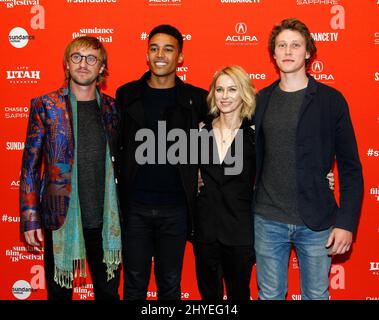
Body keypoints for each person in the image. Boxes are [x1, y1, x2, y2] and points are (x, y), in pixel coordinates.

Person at [253, 18, 364, 300]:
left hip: (317, 221)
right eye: (281, 45)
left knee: (316, 295)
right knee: (270, 295)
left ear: (308, 52)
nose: (288, 50)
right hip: (267, 219)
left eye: (295, 44)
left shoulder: (331, 100)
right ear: (273, 53)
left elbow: (351, 168)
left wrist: (346, 223)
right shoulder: (260, 100)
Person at [19, 36, 122, 300]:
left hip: (106, 220)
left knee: (109, 293)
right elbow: (30, 167)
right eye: (77, 57)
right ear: (67, 64)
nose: (83, 64)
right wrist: (30, 217)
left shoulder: (113, 108)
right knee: (59, 294)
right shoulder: (46, 106)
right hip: (60, 216)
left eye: (91, 58)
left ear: (102, 67)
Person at [116, 24, 208, 300]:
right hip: (135, 208)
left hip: (176, 209)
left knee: (170, 285)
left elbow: (224, 141)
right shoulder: (126, 94)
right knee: (133, 284)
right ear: (147, 54)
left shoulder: (196, 99)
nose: (160, 55)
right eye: (154, 48)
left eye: (168, 49)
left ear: (180, 57)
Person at [193, 66, 256, 300]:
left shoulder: (254, 135)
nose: (225, 96)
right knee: (209, 296)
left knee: (240, 295)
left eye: (232, 89)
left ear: (244, 94)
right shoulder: (199, 132)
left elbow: (274, 172)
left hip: (240, 231)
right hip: (205, 230)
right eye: (219, 89)